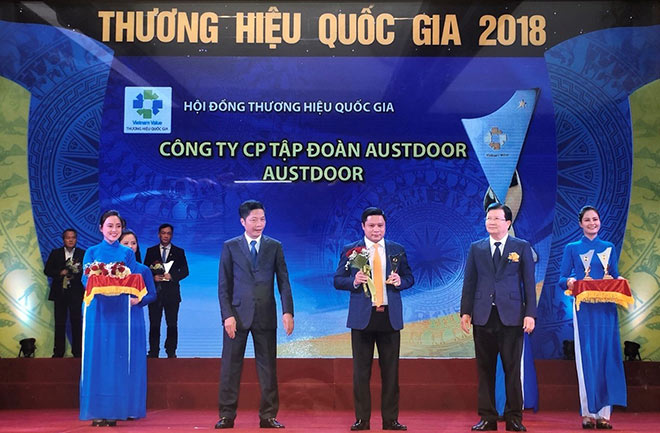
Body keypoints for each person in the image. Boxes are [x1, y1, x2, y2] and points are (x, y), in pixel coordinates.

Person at [333, 207, 414, 431]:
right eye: (371, 225)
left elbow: (410, 277)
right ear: (363, 226)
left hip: (389, 317)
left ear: (385, 226)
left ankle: (390, 420)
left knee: (391, 373)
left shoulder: (397, 250)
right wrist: (354, 281)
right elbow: (338, 280)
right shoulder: (353, 251)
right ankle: (362, 419)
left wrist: (400, 281)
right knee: (361, 373)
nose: (376, 229)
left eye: (380, 225)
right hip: (362, 319)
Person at [215, 200, 294, 429]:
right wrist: (227, 315)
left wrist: (288, 311)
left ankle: (268, 416)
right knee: (230, 367)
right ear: (243, 221)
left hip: (265, 314)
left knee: (268, 367)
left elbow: (284, 282)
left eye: (262, 219)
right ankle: (226, 415)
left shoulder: (274, 246)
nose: (259, 224)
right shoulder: (230, 246)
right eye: (254, 220)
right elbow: (223, 285)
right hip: (237, 315)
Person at [460, 203, 536, 432]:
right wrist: (466, 312)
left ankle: (514, 418)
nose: (491, 222)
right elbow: (469, 281)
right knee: (485, 370)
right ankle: (488, 418)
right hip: (483, 316)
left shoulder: (521, 247)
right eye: (488, 218)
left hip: (511, 317)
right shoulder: (477, 248)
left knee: (512, 370)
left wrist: (530, 314)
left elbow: (529, 283)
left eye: (496, 218)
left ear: (508, 223)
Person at [558, 206, 627, 430]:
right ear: (580, 224)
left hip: (606, 309)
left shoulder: (609, 247)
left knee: (607, 356)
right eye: (587, 220)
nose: (592, 223)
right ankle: (588, 413)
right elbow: (561, 278)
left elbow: (613, 274)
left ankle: (605, 415)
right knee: (586, 357)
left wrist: (620, 279)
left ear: (600, 222)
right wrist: (570, 281)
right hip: (584, 310)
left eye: (595, 219)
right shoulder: (572, 248)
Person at [80, 210, 145, 427]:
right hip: (97, 310)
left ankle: (114, 411)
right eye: (110, 226)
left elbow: (133, 277)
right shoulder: (91, 252)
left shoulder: (127, 253)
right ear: (101, 228)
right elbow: (85, 280)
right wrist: (102, 280)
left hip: (119, 311)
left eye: (118, 226)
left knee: (117, 360)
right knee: (96, 358)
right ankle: (96, 411)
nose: (114, 230)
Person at [119, 229, 157, 420]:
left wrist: (139, 300)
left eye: (133, 243)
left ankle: (133, 408)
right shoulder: (110, 270)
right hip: (115, 320)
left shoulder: (143, 270)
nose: (130, 247)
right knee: (117, 363)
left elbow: (152, 294)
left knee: (134, 362)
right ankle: (115, 407)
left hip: (134, 319)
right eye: (126, 243)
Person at [144, 223, 189, 358]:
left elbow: (185, 271)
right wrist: (153, 277)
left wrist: (172, 276)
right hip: (155, 293)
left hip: (172, 294)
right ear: (159, 234)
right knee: (154, 324)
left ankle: (171, 351)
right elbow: (145, 270)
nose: (165, 236)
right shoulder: (151, 251)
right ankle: (153, 352)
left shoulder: (179, 251)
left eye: (168, 233)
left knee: (172, 324)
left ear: (172, 235)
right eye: (163, 233)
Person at [43, 228, 85, 358]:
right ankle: (58, 352)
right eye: (68, 238)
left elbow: (86, 272)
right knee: (60, 322)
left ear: (76, 239)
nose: (71, 240)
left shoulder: (82, 253)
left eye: (73, 237)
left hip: (76, 293)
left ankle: (78, 352)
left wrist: (75, 275)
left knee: (76, 321)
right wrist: (60, 273)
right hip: (60, 293)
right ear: (63, 239)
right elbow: (47, 270)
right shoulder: (55, 253)